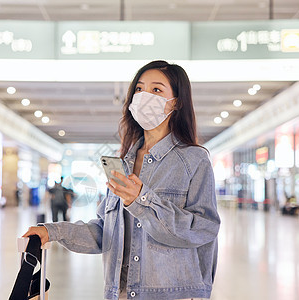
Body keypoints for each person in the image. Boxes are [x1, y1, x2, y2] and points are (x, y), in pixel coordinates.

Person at [23, 60, 221, 300]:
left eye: (156, 90)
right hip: (122, 293)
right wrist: (52, 231)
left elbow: (203, 229)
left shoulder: (194, 159)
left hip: (173, 294)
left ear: (176, 102)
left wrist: (142, 201)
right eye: (139, 89)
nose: (144, 96)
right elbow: (106, 233)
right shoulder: (123, 163)